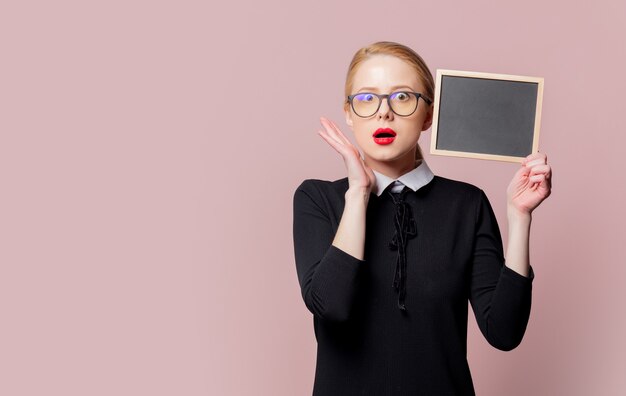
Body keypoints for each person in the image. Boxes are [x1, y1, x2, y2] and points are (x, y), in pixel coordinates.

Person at [292, 41, 552, 396]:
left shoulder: (467, 204)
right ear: (349, 113)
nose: (384, 113)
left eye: (402, 97)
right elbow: (331, 305)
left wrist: (519, 218)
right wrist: (358, 193)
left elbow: (504, 332)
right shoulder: (318, 198)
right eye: (367, 99)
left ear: (428, 114)